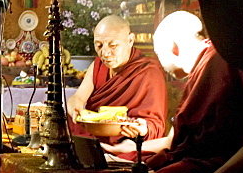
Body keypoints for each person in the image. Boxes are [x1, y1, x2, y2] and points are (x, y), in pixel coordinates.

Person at [110, 11, 243, 173]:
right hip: (195, 160)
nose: (160, 63)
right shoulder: (203, 67)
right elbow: (175, 140)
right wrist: (127, 148)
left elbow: (207, 146)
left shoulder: (219, 62)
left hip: (215, 166)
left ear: (173, 47)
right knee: (130, 165)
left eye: (159, 54)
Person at [67, 14, 168, 146]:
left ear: (130, 40)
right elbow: (78, 98)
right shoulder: (98, 65)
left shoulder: (148, 72)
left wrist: (143, 130)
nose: (105, 53)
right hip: (96, 136)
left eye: (113, 45)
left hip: (128, 141)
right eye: (99, 45)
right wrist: (75, 109)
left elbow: (155, 124)